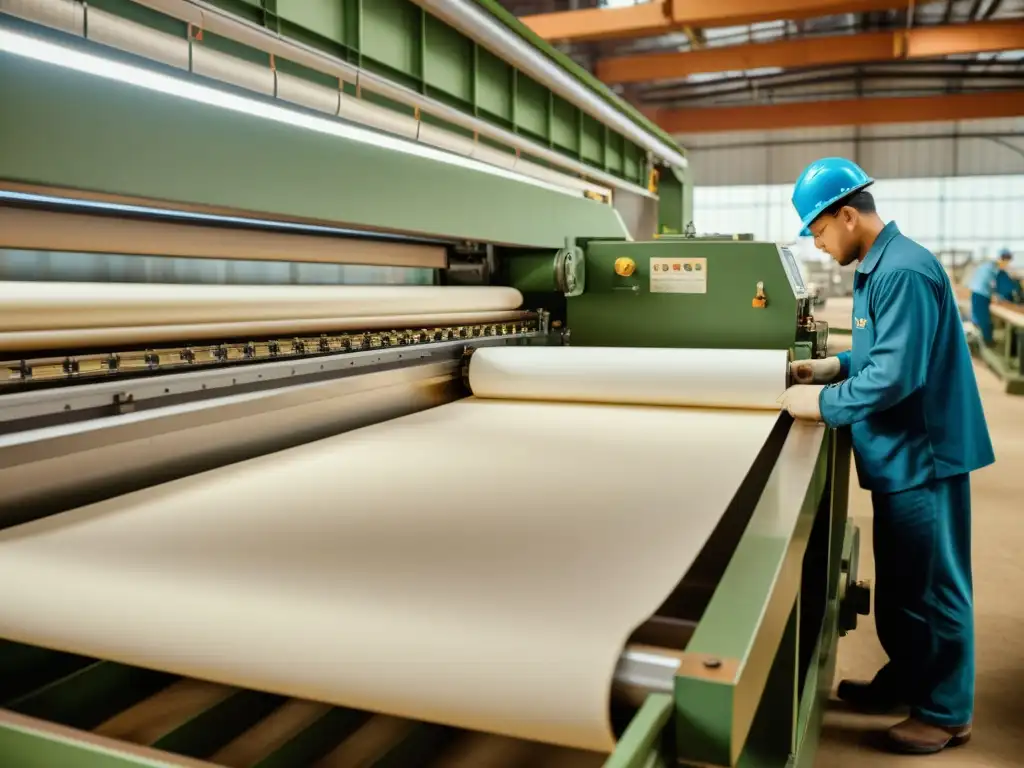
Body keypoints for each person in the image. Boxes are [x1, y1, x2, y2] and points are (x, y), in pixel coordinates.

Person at [776, 158, 995, 755]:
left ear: (847, 215)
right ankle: (907, 681)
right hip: (902, 457)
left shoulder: (902, 270)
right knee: (902, 586)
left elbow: (895, 377)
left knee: (935, 587)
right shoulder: (879, 269)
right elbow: (877, 354)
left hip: (925, 456)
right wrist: (831, 366)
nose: (819, 246)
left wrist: (819, 402)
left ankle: (947, 712)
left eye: (818, 232)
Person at [967, 249, 1014, 344]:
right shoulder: (991, 268)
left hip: (980, 294)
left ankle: (982, 340)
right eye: (1006, 262)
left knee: (980, 318)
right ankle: (987, 342)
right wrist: (998, 297)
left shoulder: (993, 267)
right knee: (983, 320)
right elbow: (991, 284)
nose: (1006, 264)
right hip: (980, 294)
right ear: (1002, 259)